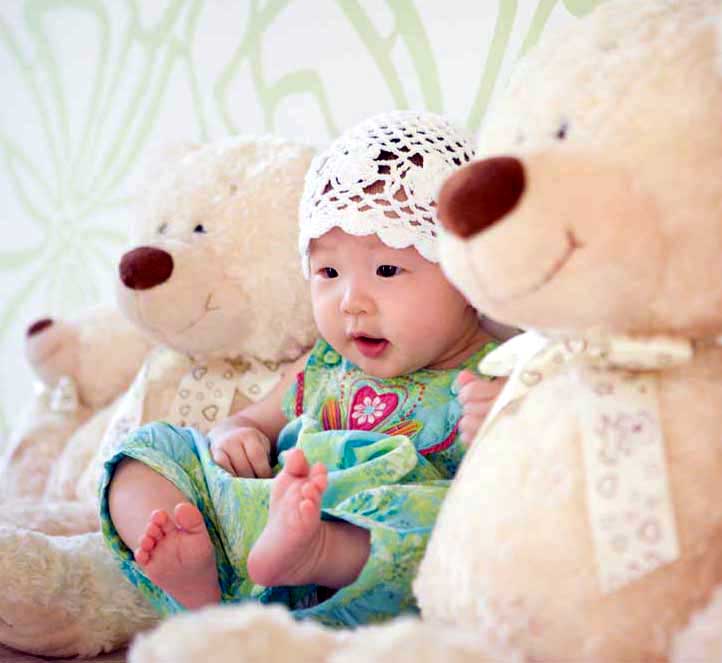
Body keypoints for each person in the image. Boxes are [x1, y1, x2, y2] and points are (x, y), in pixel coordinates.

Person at [101, 111, 510, 626]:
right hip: (260, 529)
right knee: (147, 451)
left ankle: (318, 550)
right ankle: (198, 582)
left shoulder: (498, 371)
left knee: (456, 526)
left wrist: (501, 425)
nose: (351, 301)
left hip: (365, 562)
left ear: (465, 270)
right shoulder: (324, 363)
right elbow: (250, 420)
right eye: (328, 271)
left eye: (386, 269)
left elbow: (521, 484)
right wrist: (236, 435)